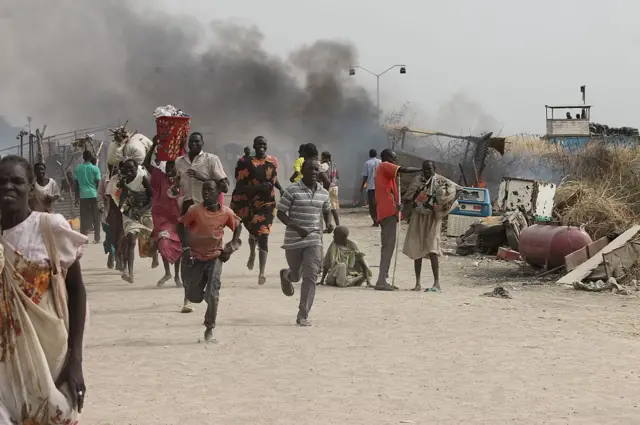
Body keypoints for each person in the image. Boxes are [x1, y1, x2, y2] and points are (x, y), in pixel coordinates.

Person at [0, 155, 87, 423]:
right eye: (1, 182)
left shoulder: (50, 227)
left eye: (17, 181)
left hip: (52, 355)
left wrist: (76, 360)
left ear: (31, 187)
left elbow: (77, 292)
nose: (8, 188)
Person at [178, 180, 242, 343]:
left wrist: (233, 243)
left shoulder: (226, 212)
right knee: (194, 296)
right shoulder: (194, 210)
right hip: (196, 257)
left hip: (215, 256)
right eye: (204, 190)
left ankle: (209, 328)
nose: (206, 193)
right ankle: (202, 293)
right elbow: (181, 225)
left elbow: (238, 225)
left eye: (210, 190)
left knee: (213, 292)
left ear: (217, 193)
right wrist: (185, 248)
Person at [176, 132, 229, 311]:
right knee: (186, 255)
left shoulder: (211, 160)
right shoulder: (179, 162)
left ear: (202, 143)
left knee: (206, 255)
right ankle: (187, 299)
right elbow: (176, 184)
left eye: (197, 141)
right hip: (187, 213)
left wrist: (202, 178)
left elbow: (225, 185)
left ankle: (207, 290)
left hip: (206, 215)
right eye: (191, 141)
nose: (194, 144)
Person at [277, 158, 333, 326]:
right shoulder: (292, 190)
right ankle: (287, 275)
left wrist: (329, 222)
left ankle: (303, 314)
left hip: (314, 239)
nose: (314, 172)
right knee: (296, 275)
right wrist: (296, 227)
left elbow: (326, 209)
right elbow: (280, 213)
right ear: (302, 170)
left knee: (311, 275)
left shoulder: (324, 192)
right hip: (294, 240)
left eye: (317, 169)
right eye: (310, 169)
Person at [402, 160, 461, 292]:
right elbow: (409, 196)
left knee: (432, 248)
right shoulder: (417, 180)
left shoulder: (441, 181)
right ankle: (417, 283)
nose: (427, 172)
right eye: (425, 169)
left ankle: (437, 283)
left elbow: (458, 189)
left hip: (433, 218)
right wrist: (403, 205)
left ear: (434, 169)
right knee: (417, 247)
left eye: (430, 169)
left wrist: (445, 206)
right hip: (418, 216)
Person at [231, 136, 281, 286]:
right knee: (253, 232)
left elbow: (273, 178)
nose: (262, 147)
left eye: (264, 144)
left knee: (263, 235)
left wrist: (281, 189)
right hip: (248, 203)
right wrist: (258, 187)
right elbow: (240, 186)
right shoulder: (245, 163)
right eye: (259, 144)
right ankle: (253, 251)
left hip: (266, 204)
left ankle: (262, 273)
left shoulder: (273, 161)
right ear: (254, 146)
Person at [374, 149, 421, 291]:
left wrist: (398, 203)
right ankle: (381, 280)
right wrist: (421, 168)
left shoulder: (387, 175)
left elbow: (391, 193)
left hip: (390, 211)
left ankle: (384, 278)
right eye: (393, 159)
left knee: (388, 246)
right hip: (388, 213)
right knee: (388, 247)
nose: (395, 162)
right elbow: (404, 170)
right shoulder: (384, 166)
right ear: (387, 158)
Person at [145, 138, 183, 287]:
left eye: (172, 167)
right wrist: (153, 145)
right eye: (167, 167)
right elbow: (147, 164)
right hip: (162, 220)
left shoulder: (182, 179)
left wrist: (182, 144)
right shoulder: (160, 178)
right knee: (164, 243)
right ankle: (167, 272)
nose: (169, 170)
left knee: (178, 246)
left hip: (178, 219)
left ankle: (177, 276)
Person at [118, 159, 155, 283]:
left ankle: (154, 256)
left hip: (146, 210)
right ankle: (130, 273)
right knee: (131, 240)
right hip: (131, 212)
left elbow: (152, 197)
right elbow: (123, 195)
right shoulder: (124, 181)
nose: (129, 171)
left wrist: (143, 210)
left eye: (131, 169)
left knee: (152, 237)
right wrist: (121, 207)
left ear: (136, 168)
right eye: (126, 169)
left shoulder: (142, 178)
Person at [74, 150, 102, 243]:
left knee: (84, 217)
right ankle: (97, 238)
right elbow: (98, 182)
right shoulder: (95, 168)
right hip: (93, 194)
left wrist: (76, 197)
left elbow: (76, 184)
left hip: (83, 196)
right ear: (90, 158)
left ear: (83, 157)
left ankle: (84, 238)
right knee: (96, 217)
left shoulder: (78, 168)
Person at [361, 149, 381, 226]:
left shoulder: (367, 163)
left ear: (369, 155)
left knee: (372, 205)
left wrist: (362, 187)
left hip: (371, 187)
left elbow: (365, 177)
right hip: (380, 187)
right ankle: (379, 219)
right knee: (378, 204)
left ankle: (375, 221)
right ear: (376, 154)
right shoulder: (381, 162)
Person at [321, 151, 340, 227]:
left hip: (328, 187)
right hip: (335, 187)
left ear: (324, 157)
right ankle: (337, 225)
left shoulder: (324, 165)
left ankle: (328, 225)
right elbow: (338, 176)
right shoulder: (334, 164)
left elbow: (320, 173)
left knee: (327, 208)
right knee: (333, 207)